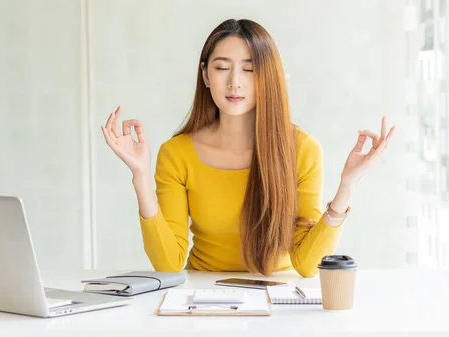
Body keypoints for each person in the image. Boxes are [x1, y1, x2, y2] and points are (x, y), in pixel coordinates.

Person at [100, 19, 395, 277]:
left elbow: (307, 265)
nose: (234, 82)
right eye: (222, 68)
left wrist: (348, 184)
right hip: (201, 300)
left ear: (268, 77)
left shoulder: (302, 149)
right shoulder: (177, 153)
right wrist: (140, 176)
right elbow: (168, 264)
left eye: (250, 69)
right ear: (205, 75)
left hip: (279, 302)